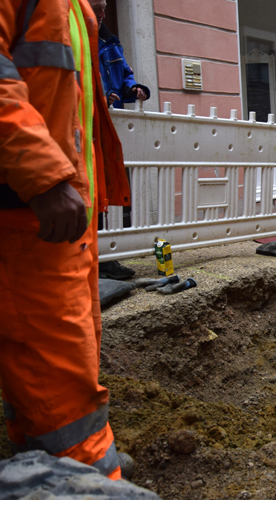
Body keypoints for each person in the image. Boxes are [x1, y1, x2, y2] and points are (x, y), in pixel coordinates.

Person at [0, 0, 130, 479]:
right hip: (24, 214)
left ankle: (47, 471)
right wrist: (46, 178)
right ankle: (90, 482)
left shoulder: (73, 7)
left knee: (68, 356)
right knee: (57, 367)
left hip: (56, 217)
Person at [87, 0, 150, 280]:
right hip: (84, 129)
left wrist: (134, 89)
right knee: (91, 194)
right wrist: (101, 98)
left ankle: (105, 259)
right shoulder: (69, 34)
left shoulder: (110, 43)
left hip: (109, 130)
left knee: (108, 192)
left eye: (103, 8)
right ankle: (93, 260)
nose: (102, 14)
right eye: (96, 7)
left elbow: (123, 77)